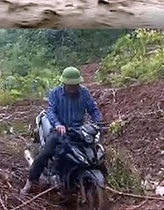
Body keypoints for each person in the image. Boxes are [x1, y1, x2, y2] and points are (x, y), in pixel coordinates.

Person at [21, 66, 103, 194]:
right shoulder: (55, 93)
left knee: (93, 151)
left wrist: (98, 123)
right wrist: (58, 124)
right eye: (70, 85)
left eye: (75, 85)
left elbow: (93, 109)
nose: (73, 88)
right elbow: (51, 111)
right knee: (45, 153)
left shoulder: (84, 93)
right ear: (64, 83)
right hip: (59, 131)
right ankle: (31, 182)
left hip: (78, 131)